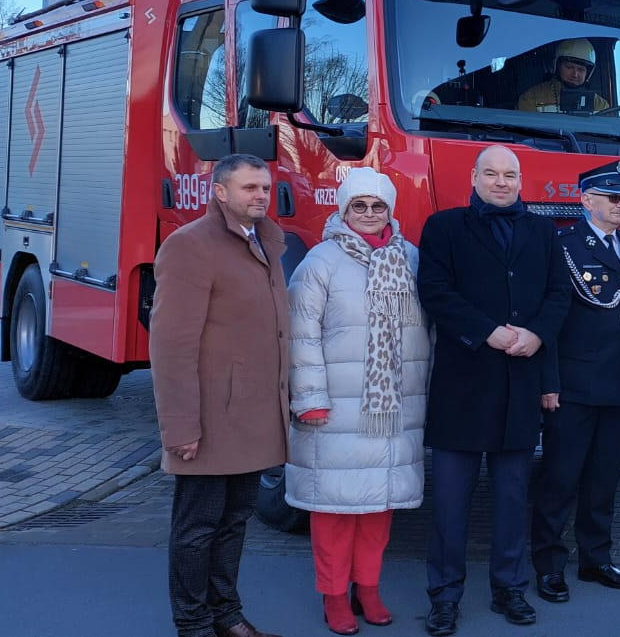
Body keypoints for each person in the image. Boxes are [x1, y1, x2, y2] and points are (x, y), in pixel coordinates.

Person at [416, 145, 570, 635]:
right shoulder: (444, 227)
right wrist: (487, 331)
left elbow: (558, 294)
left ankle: (509, 588)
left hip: (518, 387)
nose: (501, 182)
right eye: (492, 173)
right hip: (463, 386)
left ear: (520, 179)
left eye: (509, 174)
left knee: (511, 500)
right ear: (474, 177)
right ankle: (444, 596)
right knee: (450, 506)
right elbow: (435, 290)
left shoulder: (544, 231)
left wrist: (537, 334)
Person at [283, 167, 431, 635]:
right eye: (358, 206)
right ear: (343, 210)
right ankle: (333, 595)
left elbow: (426, 331)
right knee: (333, 512)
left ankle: (367, 587)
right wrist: (310, 399)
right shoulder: (320, 262)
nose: (369, 215)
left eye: (378, 206)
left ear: (391, 210)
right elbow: (300, 336)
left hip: (393, 408)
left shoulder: (410, 258)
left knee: (377, 506)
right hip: (335, 408)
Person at [150, 154, 290, 637]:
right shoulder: (190, 246)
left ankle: (226, 617)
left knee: (233, 525)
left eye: (266, 188)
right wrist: (182, 426)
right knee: (197, 530)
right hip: (209, 421)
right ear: (220, 192)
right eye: (250, 187)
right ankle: (192, 625)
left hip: (252, 419)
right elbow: (171, 346)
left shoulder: (267, 242)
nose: (261, 196)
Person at [531, 161, 620, 602]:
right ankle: (548, 564)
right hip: (574, 385)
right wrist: (547, 382)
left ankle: (596, 558)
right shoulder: (563, 245)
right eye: (613, 197)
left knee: (604, 479)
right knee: (560, 479)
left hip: (619, 385)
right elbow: (547, 322)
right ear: (586, 200)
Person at [515, 39, 611, 114]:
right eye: (569, 67)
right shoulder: (531, 98)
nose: (575, 74)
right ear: (557, 66)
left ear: (588, 73)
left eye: (581, 69)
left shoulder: (601, 106)